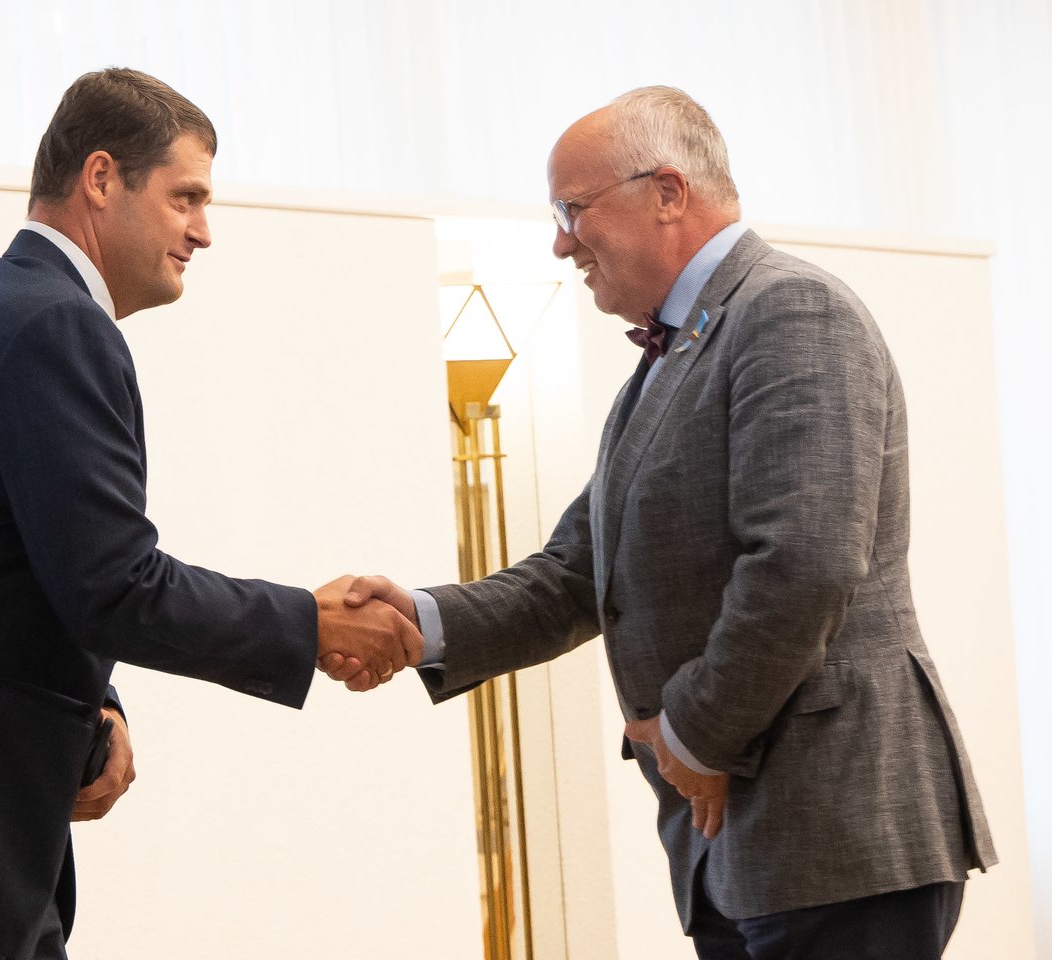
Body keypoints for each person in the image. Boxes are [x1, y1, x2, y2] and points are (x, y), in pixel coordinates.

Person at [0, 67, 420, 960]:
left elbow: (21, 563)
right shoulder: (52, 324)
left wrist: (97, 703)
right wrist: (311, 620)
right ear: (101, 178)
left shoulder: (23, 309)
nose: (204, 231)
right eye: (186, 198)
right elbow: (114, 585)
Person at [326, 86, 995, 959]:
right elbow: (577, 572)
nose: (561, 241)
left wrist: (690, 735)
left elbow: (804, 564)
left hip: (837, 831)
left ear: (669, 192)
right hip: (743, 850)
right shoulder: (672, 356)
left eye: (572, 210)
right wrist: (421, 621)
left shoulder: (793, 311)